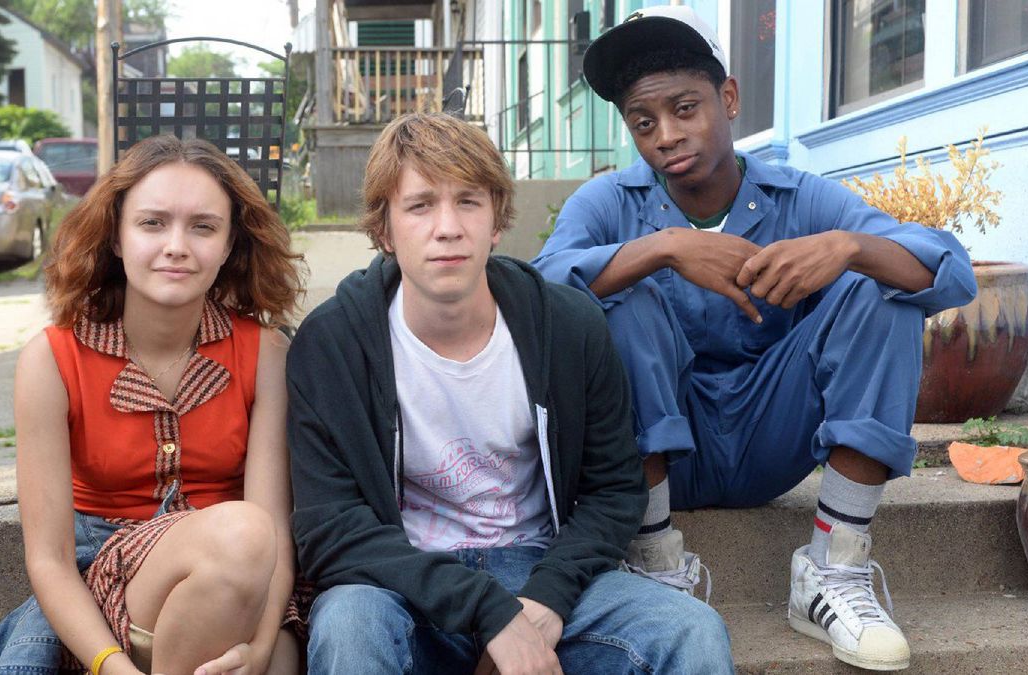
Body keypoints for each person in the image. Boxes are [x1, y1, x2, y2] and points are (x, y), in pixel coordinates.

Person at [532, 6, 977, 672]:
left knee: (876, 280)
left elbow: (950, 271)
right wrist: (663, 247)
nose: (667, 135)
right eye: (643, 122)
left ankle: (833, 567)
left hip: (773, 434)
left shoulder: (797, 198)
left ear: (730, 97)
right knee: (622, 292)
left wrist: (848, 245)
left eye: (686, 108)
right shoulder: (608, 202)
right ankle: (654, 563)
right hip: (653, 456)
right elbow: (535, 293)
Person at [286, 112, 732, 675]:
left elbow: (614, 490)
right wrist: (487, 611)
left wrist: (545, 601)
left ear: (496, 220)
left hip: (539, 568)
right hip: (401, 581)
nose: (447, 227)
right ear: (384, 230)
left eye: (468, 202)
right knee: (348, 628)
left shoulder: (567, 325)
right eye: (420, 205)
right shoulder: (333, 342)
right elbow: (328, 527)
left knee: (691, 631)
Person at [0, 135, 306, 675]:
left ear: (228, 244)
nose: (177, 245)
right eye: (152, 223)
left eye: (203, 226)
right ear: (117, 237)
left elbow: (275, 533)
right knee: (240, 531)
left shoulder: (265, 353)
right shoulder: (53, 360)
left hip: (244, 586)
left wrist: (263, 645)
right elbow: (49, 562)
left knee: (276, 638)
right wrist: (110, 665)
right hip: (104, 586)